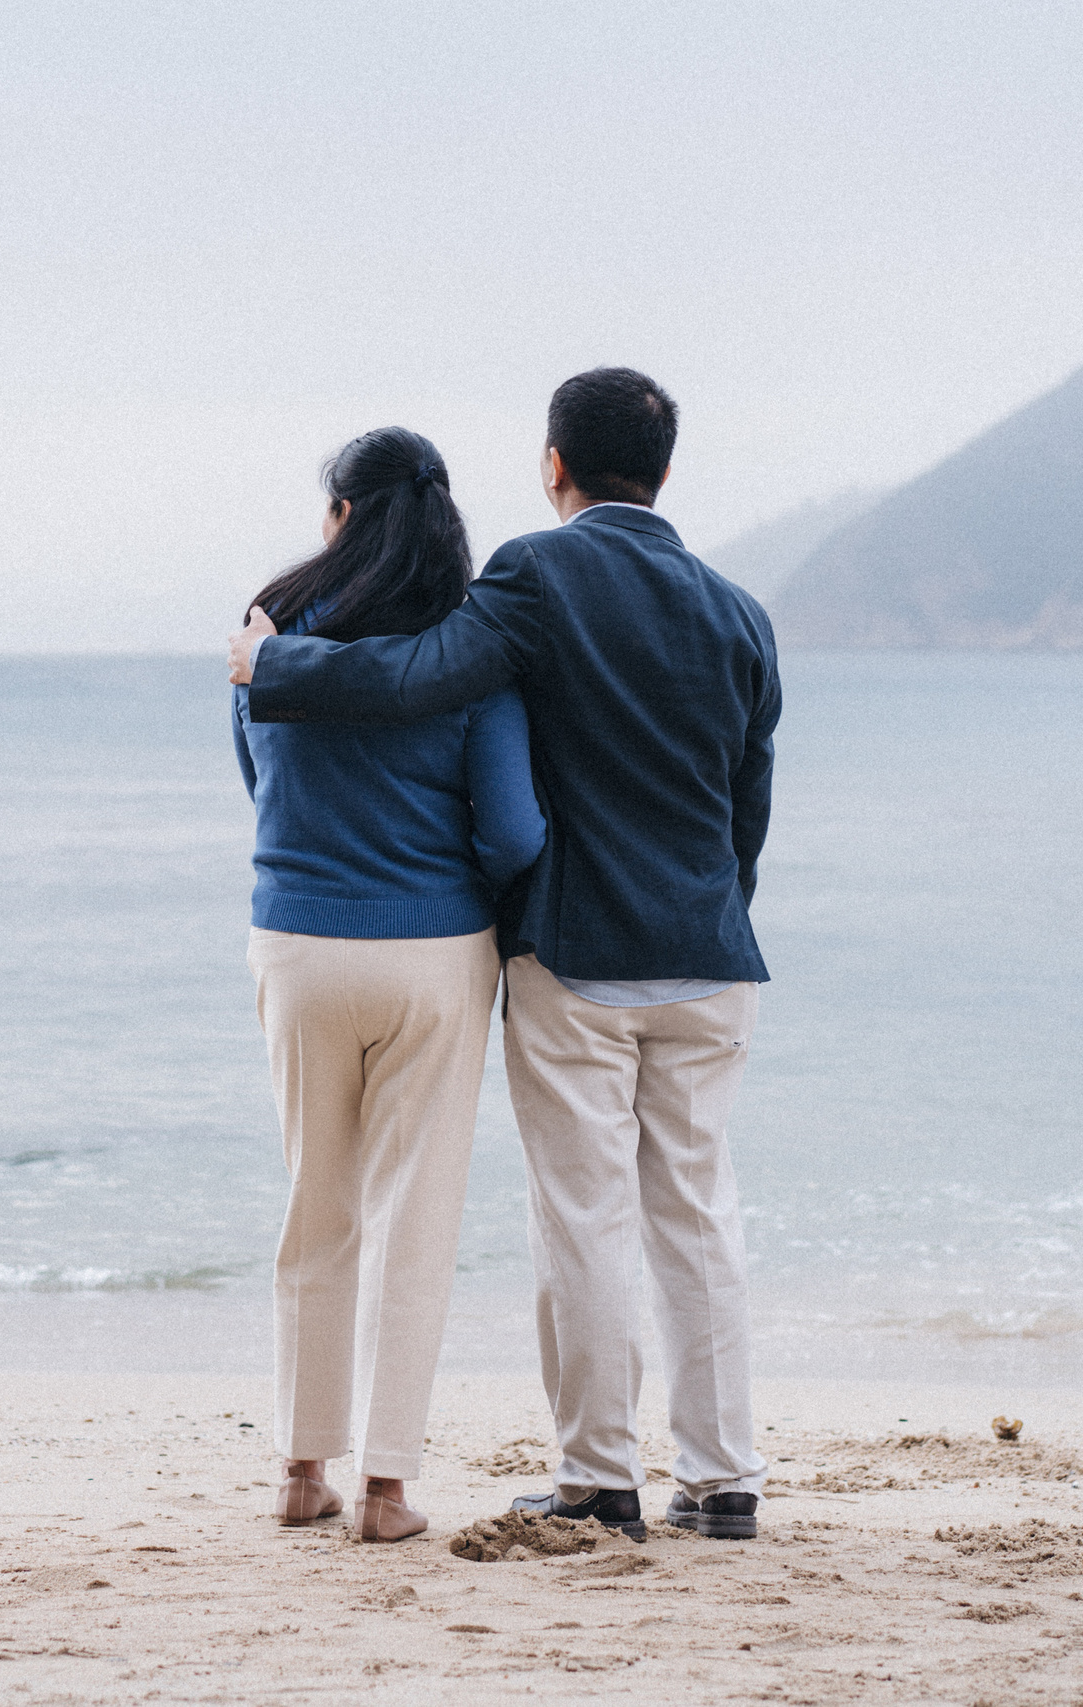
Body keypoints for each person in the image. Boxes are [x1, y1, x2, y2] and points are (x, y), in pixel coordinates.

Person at [228, 369, 778, 1543]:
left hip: (575, 954)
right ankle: (724, 1481)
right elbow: (747, 805)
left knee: (583, 1214)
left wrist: (273, 668)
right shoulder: (740, 611)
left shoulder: (536, 572)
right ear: (665, 471)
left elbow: (419, 677)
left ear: (550, 464)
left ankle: (599, 1479)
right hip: (709, 952)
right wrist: (714, 908)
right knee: (697, 1211)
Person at [234, 426, 546, 1544]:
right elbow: (510, 830)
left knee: (315, 1203)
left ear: (340, 518)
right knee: (412, 1221)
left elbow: (256, 783)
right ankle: (384, 1492)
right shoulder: (464, 651)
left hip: (298, 946)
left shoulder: (268, 636)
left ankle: (299, 1472)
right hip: (433, 956)